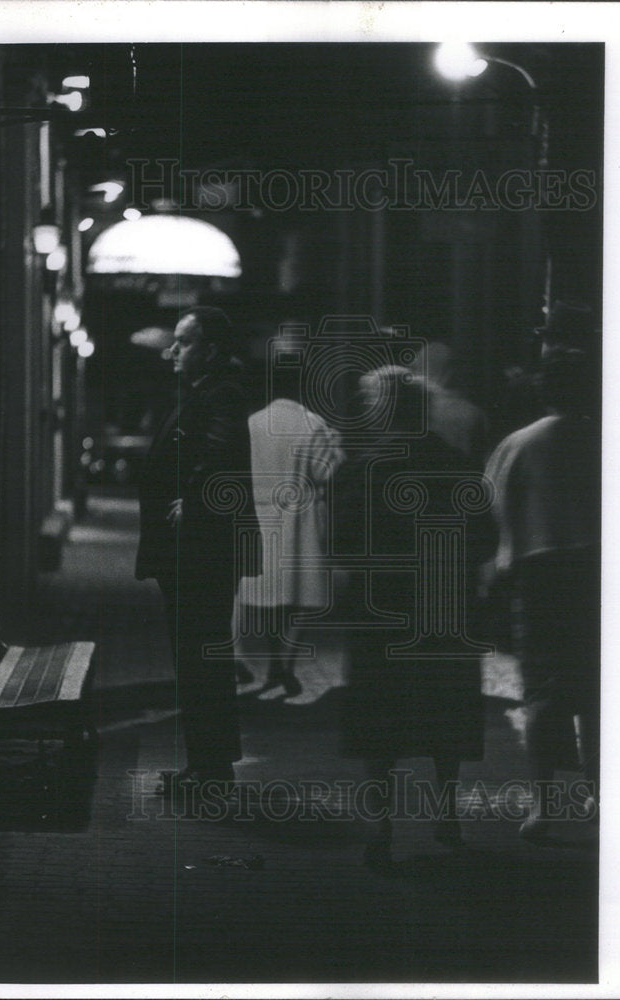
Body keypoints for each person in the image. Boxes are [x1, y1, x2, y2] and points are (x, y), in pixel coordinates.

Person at [332, 367, 496, 869]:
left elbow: (339, 544)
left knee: (379, 719)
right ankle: (446, 814)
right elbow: (485, 537)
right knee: (445, 711)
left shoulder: (361, 471)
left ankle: (380, 828)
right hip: (444, 607)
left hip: (380, 611)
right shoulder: (457, 464)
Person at [484, 301, 601, 840]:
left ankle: (544, 804)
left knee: (543, 694)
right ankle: (601, 793)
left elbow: (495, 509)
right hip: (599, 574)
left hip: (539, 578)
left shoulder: (519, 444)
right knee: (600, 690)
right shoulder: (609, 441)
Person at [135, 307, 259, 792]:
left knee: (199, 660)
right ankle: (207, 764)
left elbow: (221, 453)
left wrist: (197, 499)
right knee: (199, 659)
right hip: (193, 549)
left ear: (208, 349)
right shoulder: (208, 390)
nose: (172, 352)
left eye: (182, 343)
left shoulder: (220, 393)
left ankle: (209, 769)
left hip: (198, 551)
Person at [237, 344, 344, 696]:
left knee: (269, 597)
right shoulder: (312, 424)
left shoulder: (253, 423)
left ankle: (272, 663)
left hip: (261, 516)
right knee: (298, 599)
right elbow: (327, 471)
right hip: (301, 521)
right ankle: (286, 662)